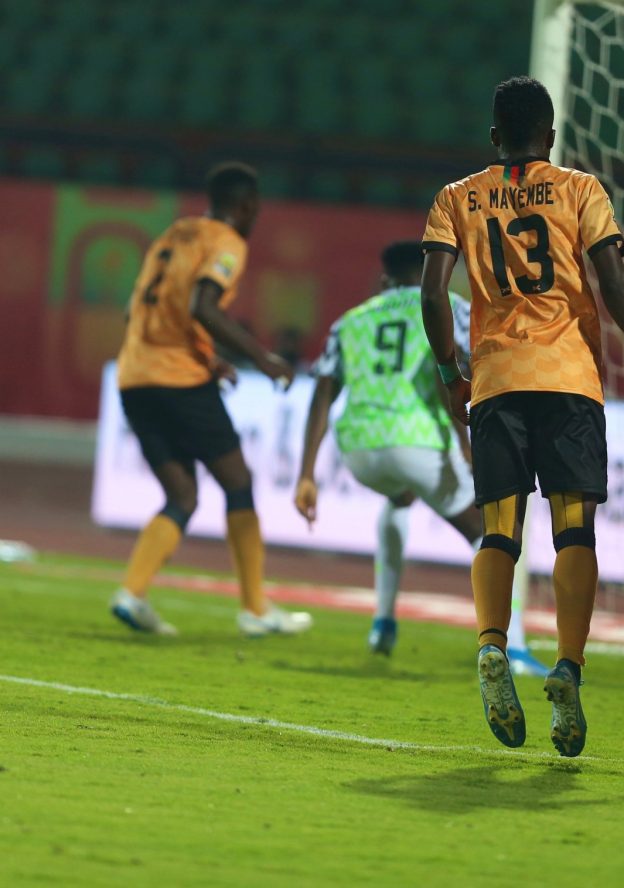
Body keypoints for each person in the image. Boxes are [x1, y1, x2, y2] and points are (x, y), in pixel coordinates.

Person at [420, 75, 624, 758]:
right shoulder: (580, 191)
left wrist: (451, 374)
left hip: (497, 380)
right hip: (568, 380)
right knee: (574, 531)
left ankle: (491, 645)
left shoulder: (456, 197)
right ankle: (568, 665)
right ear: (552, 136)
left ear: (493, 136)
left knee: (498, 529)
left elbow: (433, 293)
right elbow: (614, 283)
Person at [110, 162, 312, 638]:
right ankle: (255, 608)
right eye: (255, 208)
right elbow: (201, 305)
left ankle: (131, 593)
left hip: (133, 376)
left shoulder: (173, 235)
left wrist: (207, 356)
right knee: (238, 482)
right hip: (177, 379)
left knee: (182, 494)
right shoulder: (226, 242)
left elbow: (136, 311)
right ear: (245, 206)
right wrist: (263, 359)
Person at [293, 242, 498, 660]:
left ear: (384, 279)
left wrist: (307, 474)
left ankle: (383, 621)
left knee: (399, 497)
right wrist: (467, 443)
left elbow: (323, 393)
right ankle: (508, 643)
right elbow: (454, 366)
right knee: (490, 532)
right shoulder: (448, 304)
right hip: (417, 441)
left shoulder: (350, 321)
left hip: (360, 450)